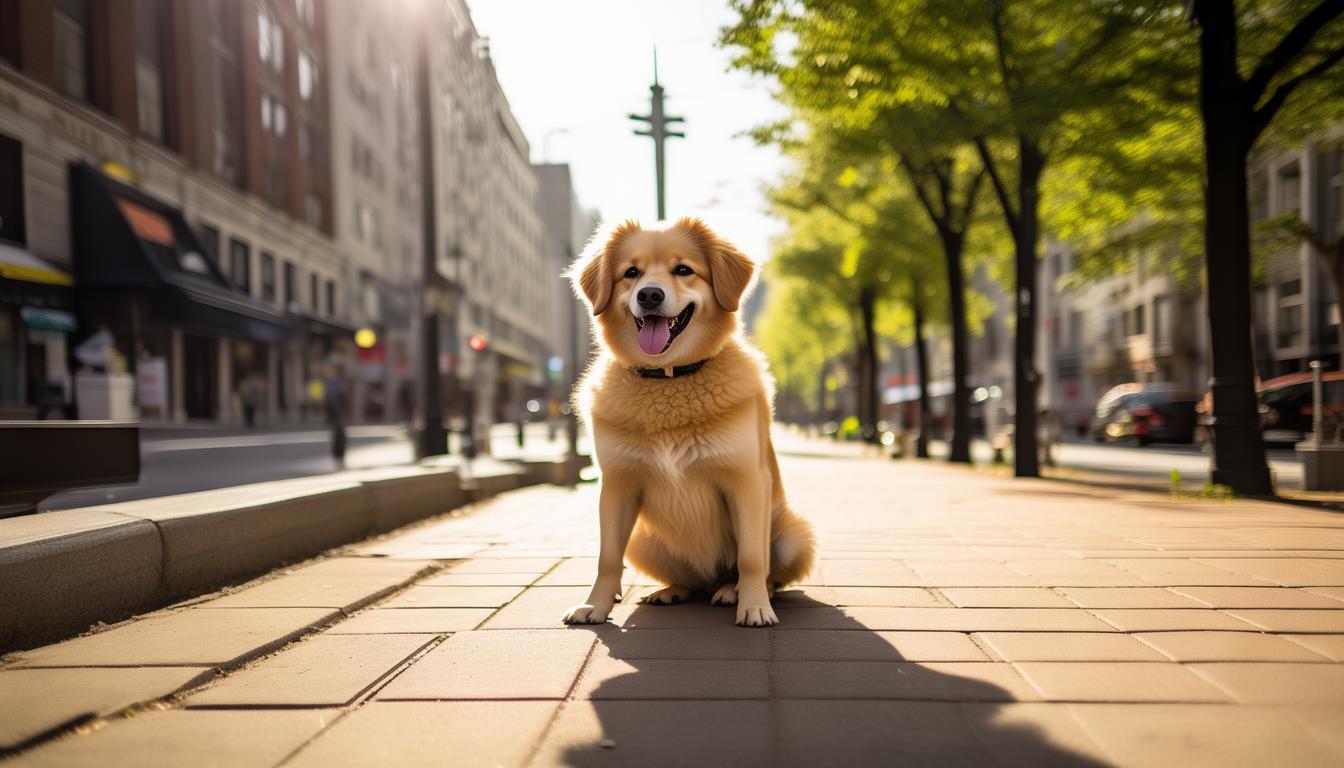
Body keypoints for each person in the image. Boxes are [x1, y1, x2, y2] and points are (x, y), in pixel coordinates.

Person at [322, 364, 346, 465]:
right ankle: (338, 453)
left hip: (337, 409)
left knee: (339, 431)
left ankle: (338, 453)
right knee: (338, 430)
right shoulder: (333, 382)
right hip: (335, 409)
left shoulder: (333, 382)